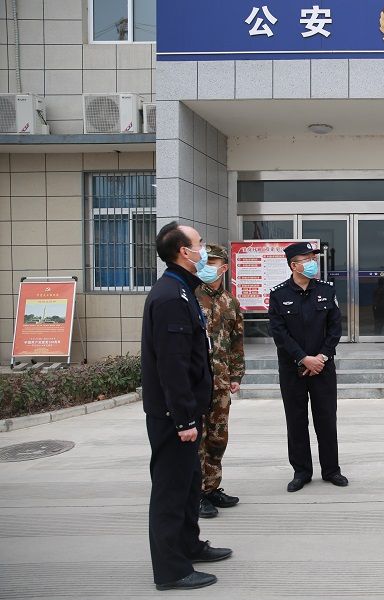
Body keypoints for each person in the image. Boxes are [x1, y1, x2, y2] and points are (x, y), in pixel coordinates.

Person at [141, 222, 232, 591]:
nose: (204, 250)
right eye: (199, 244)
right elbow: (172, 365)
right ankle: (171, 570)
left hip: (188, 411)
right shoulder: (170, 297)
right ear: (183, 251)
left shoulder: (182, 290)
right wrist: (183, 420)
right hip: (173, 417)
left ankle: (189, 545)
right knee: (171, 491)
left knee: (190, 484)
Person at [268, 241, 348, 492]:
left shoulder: (327, 290)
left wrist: (321, 358)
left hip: (323, 368)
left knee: (327, 420)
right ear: (294, 265)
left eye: (313, 259)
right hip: (292, 369)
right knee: (296, 421)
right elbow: (279, 334)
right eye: (307, 259)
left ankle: (331, 470)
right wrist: (303, 358)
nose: (313, 263)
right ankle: (301, 472)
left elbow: (335, 328)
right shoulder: (279, 294)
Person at [194, 244, 245, 519]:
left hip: (221, 382)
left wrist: (236, 375)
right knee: (198, 439)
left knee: (217, 438)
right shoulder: (190, 296)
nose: (206, 267)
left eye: (212, 263)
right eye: (204, 262)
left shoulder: (230, 302)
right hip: (197, 381)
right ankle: (196, 493)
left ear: (223, 268)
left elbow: (237, 342)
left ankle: (212, 487)